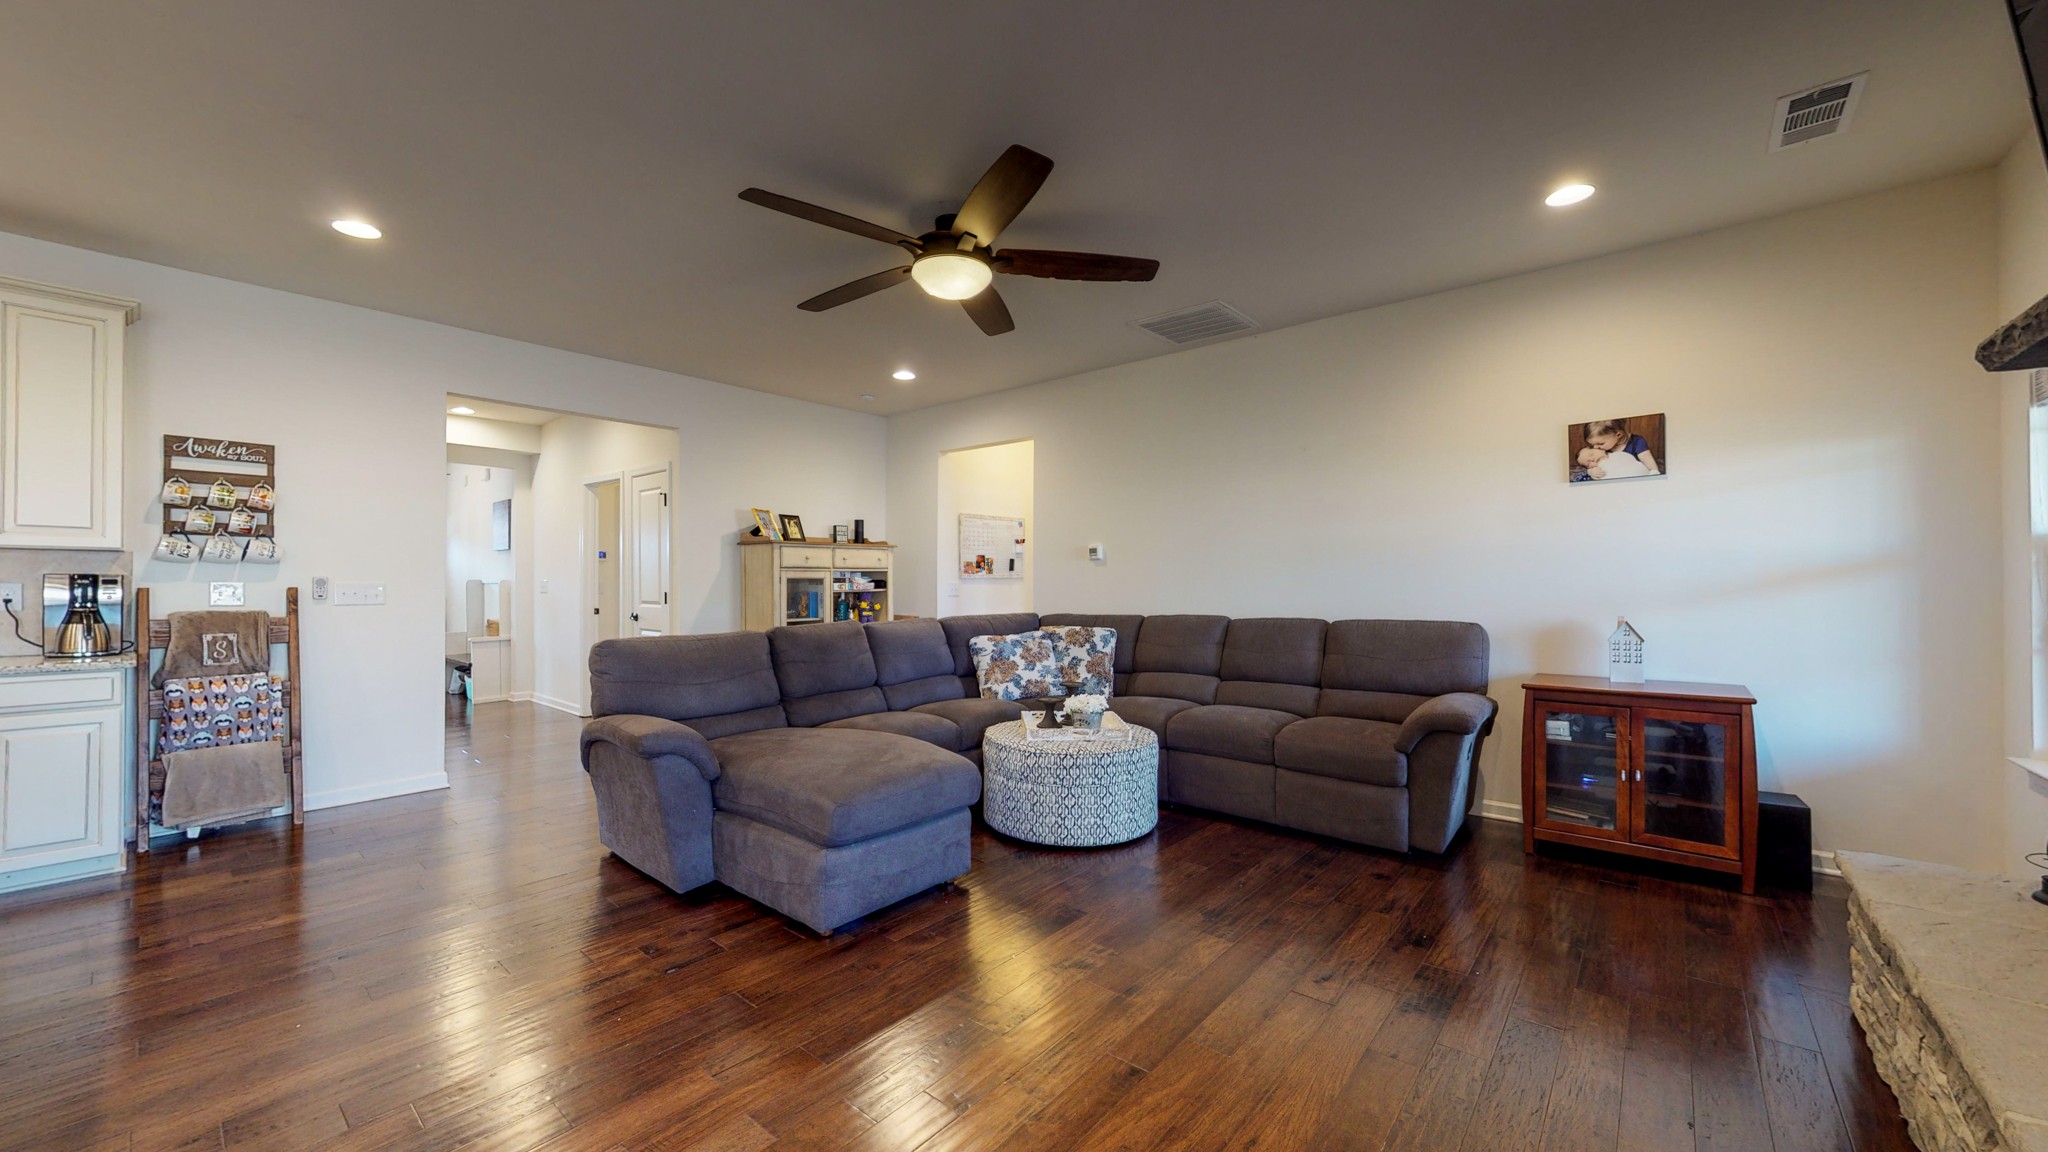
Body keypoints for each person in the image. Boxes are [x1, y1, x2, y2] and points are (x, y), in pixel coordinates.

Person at [1574, 419, 1659, 481]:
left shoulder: (1636, 442)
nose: (1596, 447)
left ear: (1618, 434)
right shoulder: (1601, 451)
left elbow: (1648, 461)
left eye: (1600, 444)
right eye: (1592, 445)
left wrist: (1654, 474)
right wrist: (1591, 472)